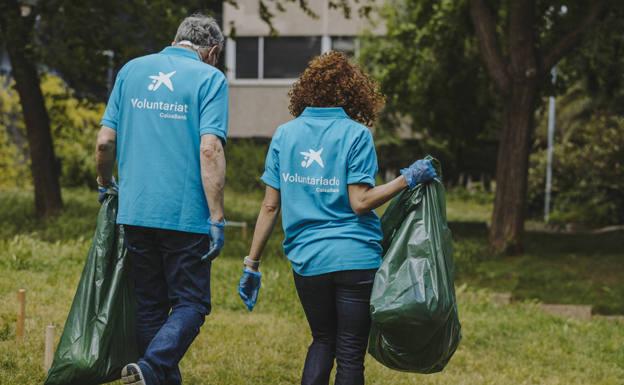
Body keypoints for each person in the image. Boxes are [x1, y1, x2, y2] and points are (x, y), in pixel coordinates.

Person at [238, 51, 437, 385]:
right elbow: (360, 202)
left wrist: (251, 264)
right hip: (355, 259)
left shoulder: (285, 135)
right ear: (353, 93)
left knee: (322, 340)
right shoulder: (356, 135)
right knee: (349, 353)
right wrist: (407, 179)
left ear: (306, 90)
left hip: (308, 260)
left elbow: (270, 206)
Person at [95, 14, 228, 385]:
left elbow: (105, 141)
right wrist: (217, 217)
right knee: (192, 303)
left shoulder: (132, 70)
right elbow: (210, 149)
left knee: (150, 305)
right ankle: (152, 367)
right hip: (185, 216)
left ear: (176, 39)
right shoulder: (210, 78)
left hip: (135, 210)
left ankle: (148, 374)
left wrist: (105, 183)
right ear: (212, 51)